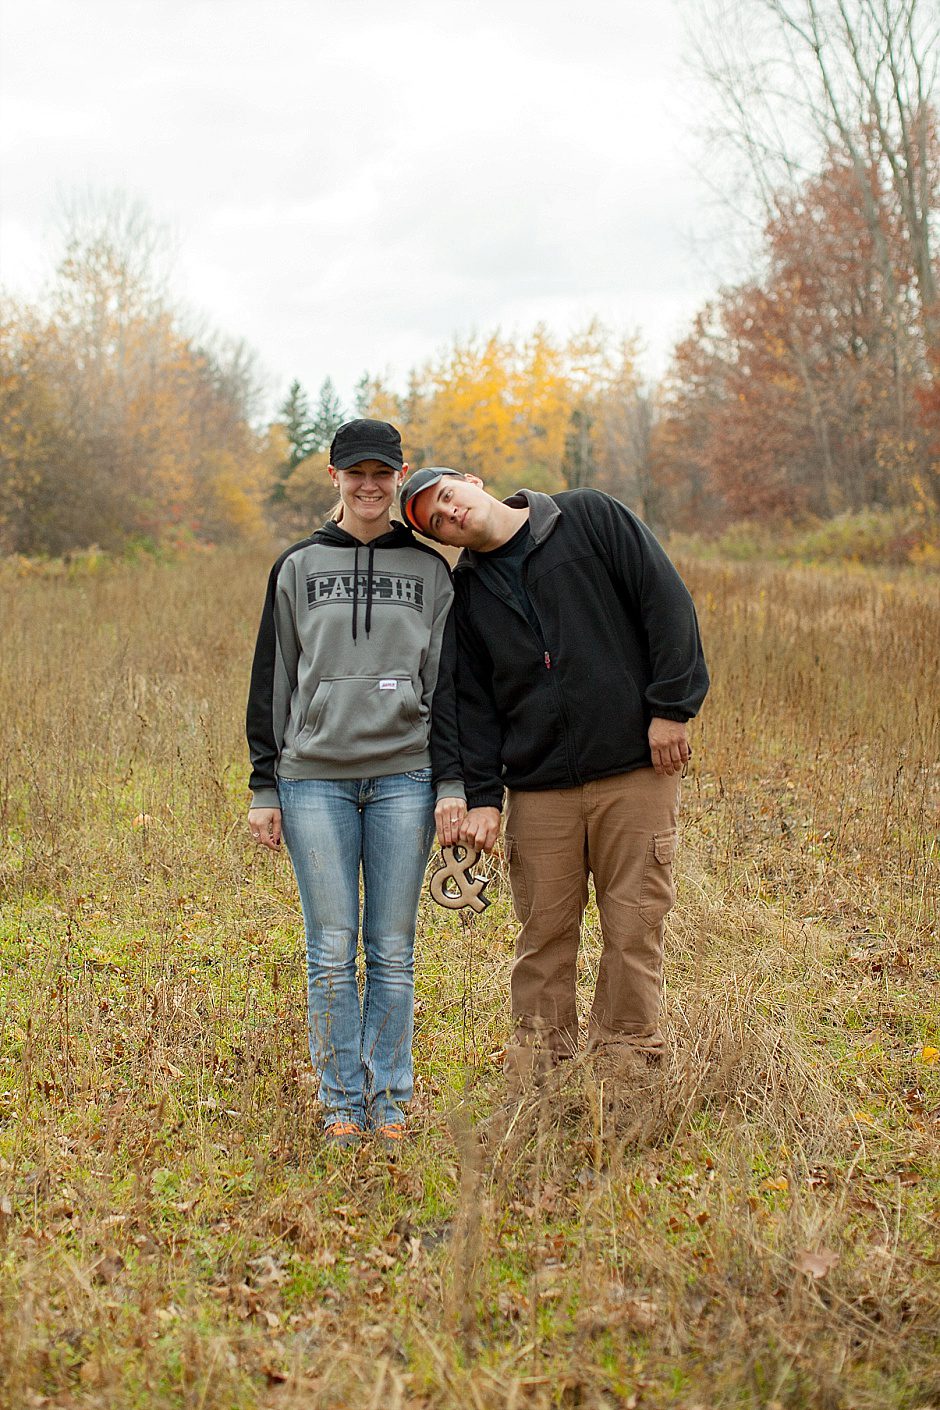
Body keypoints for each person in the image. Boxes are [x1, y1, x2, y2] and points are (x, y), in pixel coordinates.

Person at [399, 468, 708, 1084]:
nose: (449, 514)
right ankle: (541, 1077)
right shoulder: (468, 594)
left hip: (634, 771)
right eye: (434, 520)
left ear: (471, 482)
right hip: (539, 790)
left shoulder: (589, 517)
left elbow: (664, 600)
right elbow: (472, 703)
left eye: (447, 497)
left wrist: (670, 708)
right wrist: (483, 795)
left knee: (634, 926)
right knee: (543, 935)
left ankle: (627, 1075)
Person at [246, 421, 465, 1148]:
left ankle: (390, 1102)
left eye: (382, 473)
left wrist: (452, 784)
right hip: (314, 783)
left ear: (401, 475)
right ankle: (343, 1101)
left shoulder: (433, 573)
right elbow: (272, 681)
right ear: (334, 478)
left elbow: (450, 688)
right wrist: (264, 785)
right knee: (331, 950)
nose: (369, 487)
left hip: (406, 777)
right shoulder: (298, 566)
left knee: (392, 950)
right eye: (355, 473)